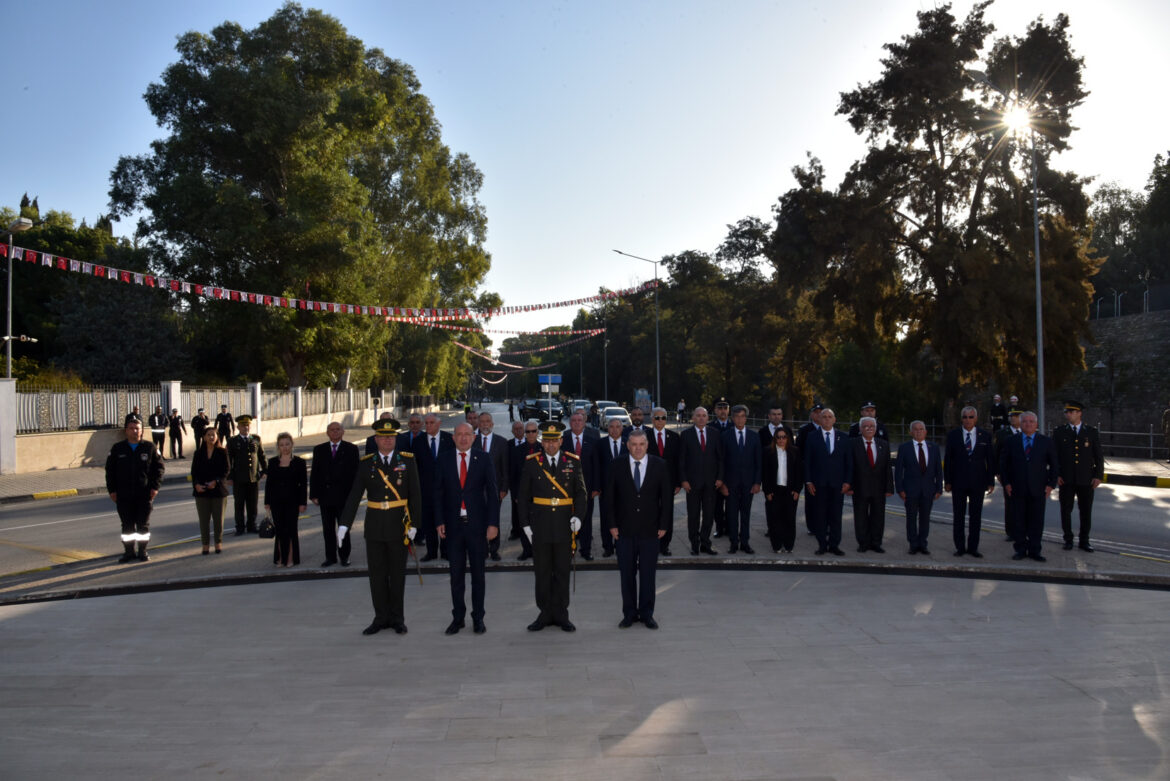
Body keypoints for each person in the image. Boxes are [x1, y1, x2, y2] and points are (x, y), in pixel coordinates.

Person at [341, 419, 421, 636]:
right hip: (375, 526)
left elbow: (415, 496)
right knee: (376, 575)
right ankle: (380, 617)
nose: (387, 440)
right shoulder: (367, 463)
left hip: (398, 526)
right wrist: (344, 524)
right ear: (376, 439)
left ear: (396, 439)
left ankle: (397, 618)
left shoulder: (407, 461)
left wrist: (414, 524)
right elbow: (355, 495)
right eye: (383, 437)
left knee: (397, 575)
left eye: (391, 436)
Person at [516, 420, 587, 632]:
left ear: (561, 441)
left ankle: (562, 614)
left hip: (565, 526)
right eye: (547, 441)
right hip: (541, 526)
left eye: (555, 440)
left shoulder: (573, 462)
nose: (551, 445)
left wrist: (579, 518)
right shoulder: (531, 463)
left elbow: (581, 494)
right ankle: (545, 613)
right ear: (542, 442)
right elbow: (523, 497)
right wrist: (526, 526)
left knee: (562, 571)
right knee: (543, 572)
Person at [436, 422, 500, 635]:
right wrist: (439, 521)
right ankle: (458, 617)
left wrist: (493, 524)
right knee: (456, 576)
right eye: (459, 434)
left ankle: (478, 618)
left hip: (477, 527)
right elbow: (437, 493)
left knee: (478, 576)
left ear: (474, 437)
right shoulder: (444, 459)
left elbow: (492, 493)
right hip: (453, 527)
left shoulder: (482, 458)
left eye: (467, 434)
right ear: (453, 438)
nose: (463, 438)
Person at [605, 429, 671, 629]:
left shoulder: (660, 465)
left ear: (647, 445)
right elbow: (609, 499)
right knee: (627, 574)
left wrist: (664, 524)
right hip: (624, 530)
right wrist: (612, 524)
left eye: (641, 444)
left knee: (648, 574)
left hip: (651, 530)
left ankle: (647, 613)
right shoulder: (616, 465)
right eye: (633, 444)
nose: (637, 448)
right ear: (627, 445)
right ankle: (629, 613)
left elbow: (666, 498)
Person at [999, 411, 1059, 562]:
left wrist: (1051, 485)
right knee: (1018, 521)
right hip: (1017, 488)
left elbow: (1055, 465)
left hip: (1038, 489)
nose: (1028, 424)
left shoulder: (1046, 441)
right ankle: (1020, 549)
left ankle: (1035, 550)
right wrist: (1006, 483)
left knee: (1036, 521)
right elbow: (1003, 465)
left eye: (1031, 421)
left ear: (1036, 424)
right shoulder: (1011, 441)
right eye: (1025, 421)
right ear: (1020, 423)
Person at [104, 418, 165, 563]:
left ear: (142, 430)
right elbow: (110, 472)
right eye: (131, 428)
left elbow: (159, 469)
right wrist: (112, 491)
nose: (135, 431)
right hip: (124, 495)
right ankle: (129, 552)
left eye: (137, 428)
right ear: (126, 430)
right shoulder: (117, 449)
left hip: (144, 494)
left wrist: (155, 487)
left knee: (143, 525)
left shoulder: (149, 448)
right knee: (127, 525)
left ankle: (142, 552)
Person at [943, 406, 995, 557]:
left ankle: (973, 547)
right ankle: (960, 547)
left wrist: (990, 481)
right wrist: (948, 481)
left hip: (978, 482)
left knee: (975, 516)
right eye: (965, 417)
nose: (968, 420)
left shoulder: (985, 435)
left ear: (976, 419)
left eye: (971, 417)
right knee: (958, 516)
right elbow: (948, 459)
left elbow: (990, 460)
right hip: (958, 482)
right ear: (961, 419)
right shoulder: (953, 435)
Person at [1055, 400, 1103, 552]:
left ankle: (1084, 540)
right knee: (1065, 510)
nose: (1068, 414)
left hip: (1086, 479)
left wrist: (1098, 476)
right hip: (1066, 479)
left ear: (1079, 413)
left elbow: (1098, 456)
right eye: (1067, 412)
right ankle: (1068, 539)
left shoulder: (1091, 432)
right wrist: (1056, 474)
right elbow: (1054, 456)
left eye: (1071, 412)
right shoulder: (1059, 432)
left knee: (1086, 511)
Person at [310, 421, 360, 567]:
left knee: (343, 528)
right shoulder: (319, 450)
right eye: (332, 430)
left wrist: (354, 495)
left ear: (343, 431)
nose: (335, 432)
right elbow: (315, 473)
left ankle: (344, 556)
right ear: (327, 432)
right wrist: (314, 494)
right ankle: (330, 557)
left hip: (344, 497)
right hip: (325, 497)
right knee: (328, 529)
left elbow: (356, 473)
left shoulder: (351, 449)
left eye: (338, 429)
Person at [803, 407, 850, 556]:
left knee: (836, 515)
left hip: (837, 484)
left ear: (834, 420)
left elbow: (848, 462)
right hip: (819, 484)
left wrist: (847, 481)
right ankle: (822, 545)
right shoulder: (812, 437)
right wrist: (808, 481)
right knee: (820, 515)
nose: (827, 419)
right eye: (824, 417)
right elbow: (807, 461)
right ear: (819, 419)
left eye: (830, 417)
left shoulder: (843, 437)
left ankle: (834, 545)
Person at [678, 406, 724, 556]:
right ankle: (694, 544)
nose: (701, 418)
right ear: (693, 418)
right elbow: (681, 460)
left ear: (708, 418)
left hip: (711, 483)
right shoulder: (685, 435)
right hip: (692, 484)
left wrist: (720, 478)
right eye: (698, 415)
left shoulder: (715, 434)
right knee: (693, 516)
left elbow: (720, 459)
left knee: (709, 515)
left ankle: (705, 543)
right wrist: (683, 480)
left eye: (704, 415)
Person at [843, 416, 893, 553]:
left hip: (879, 488)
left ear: (876, 428)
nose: (869, 429)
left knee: (878, 517)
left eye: (872, 426)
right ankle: (863, 543)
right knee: (861, 517)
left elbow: (887, 468)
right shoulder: (853, 444)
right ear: (860, 429)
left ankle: (876, 542)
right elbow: (849, 466)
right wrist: (849, 485)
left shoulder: (883, 444)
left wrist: (889, 488)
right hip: (859, 488)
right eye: (865, 426)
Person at [412, 412, 455, 561]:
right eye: (427, 423)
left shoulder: (449, 439)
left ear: (439, 423)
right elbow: (415, 467)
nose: (428, 425)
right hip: (426, 490)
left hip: (446, 490)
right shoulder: (418, 442)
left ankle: (445, 551)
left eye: (431, 423)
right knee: (429, 522)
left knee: (446, 520)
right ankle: (431, 552)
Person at [894, 420, 942, 555]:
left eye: (921, 429)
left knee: (925, 519)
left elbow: (938, 470)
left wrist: (939, 488)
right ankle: (913, 544)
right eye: (915, 429)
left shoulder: (934, 447)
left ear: (926, 432)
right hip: (910, 490)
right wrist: (900, 489)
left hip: (928, 490)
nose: (918, 431)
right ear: (910, 432)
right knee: (911, 518)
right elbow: (898, 471)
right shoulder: (904, 448)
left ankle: (923, 543)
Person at [721, 404, 762, 554]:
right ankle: (733, 542)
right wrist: (722, 483)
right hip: (730, 483)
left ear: (746, 418)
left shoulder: (754, 436)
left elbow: (758, 462)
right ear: (732, 418)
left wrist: (757, 482)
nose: (740, 419)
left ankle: (745, 542)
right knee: (731, 514)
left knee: (745, 514)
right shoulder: (725, 436)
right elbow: (721, 461)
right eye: (737, 416)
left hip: (748, 483)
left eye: (742, 416)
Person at [265, 433, 307, 567]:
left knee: (291, 530)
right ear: (278, 446)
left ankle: (290, 558)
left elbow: (303, 485)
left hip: (293, 502)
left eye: (287, 444)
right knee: (279, 530)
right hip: (276, 502)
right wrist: (267, 502)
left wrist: (302, 503)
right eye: (282, 445)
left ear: (292, 444)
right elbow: (269, 484)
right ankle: (280, 558)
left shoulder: (299, 462)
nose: (285, 447)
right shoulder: (272, 462)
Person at [562, 411, 600, 560]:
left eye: (579, 420)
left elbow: (596, 466)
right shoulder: (563, 440)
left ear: (584, 422)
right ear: (570, 423)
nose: (577, 423)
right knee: (567, 520)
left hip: (587, 489)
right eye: (574, 421)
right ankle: (568, 550)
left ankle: (586, 550)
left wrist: (596, 487)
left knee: (586, 519)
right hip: (566, 489)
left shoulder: (592, 440)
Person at [473, 411, 510, 562]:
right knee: (478, 520)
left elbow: (505, 468)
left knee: (494, 519)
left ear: (492, 424)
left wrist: (504, 489)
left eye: (487, 421)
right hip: (475, 491)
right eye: (482, 422)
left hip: (495, 490)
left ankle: (494, 550)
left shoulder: (501, 442)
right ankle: (481, 549)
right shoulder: (472, 441)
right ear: (478, 424)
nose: (485, 424)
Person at [762, 427, 802, 553]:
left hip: (790, 491)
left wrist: (797, 490)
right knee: (774, 519)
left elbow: (799, 473)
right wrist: (767, 491)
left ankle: (788, 545)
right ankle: (777, 545)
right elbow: (765, 474)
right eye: (778, 437)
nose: (781, 439)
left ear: (788, 438)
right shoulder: (768, 452)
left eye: (783, 437)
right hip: (774, 491)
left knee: (789, 519)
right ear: (775, 438)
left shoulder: (795, 451)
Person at [648, 406, 681, 556]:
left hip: (669, 484)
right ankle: (652, 543)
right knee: (651, 514)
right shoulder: (644, 436)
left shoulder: (674, 437)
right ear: (652, 419)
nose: (660, 421)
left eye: (663, 418)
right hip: (650, 484)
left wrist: (679, 482)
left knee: (667, 513)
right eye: (657, 417)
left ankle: (665, 545)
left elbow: (678, 462)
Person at [226, 414, 267, 535]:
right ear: (238, 427)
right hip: (239, 478)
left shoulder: (256, 439)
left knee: (252, 504)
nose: (246, 428)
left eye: (248, 425)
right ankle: (240, 527)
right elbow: (229, 460)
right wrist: (229, 476)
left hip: (253, 478)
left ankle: (252, 525)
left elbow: (261, 456)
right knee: (239, 504)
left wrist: (265, 470)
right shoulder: (233, 441)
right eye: (243, 426)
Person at [191, 427, 229, 555]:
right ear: (204, 437)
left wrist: (216, 481)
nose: (211, 437)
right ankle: (205, 545)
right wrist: (196, 484)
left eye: (214, 435)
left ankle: (218, 544)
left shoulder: (222, 452)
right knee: (204, 520)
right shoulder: (198, 453)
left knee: (218, 520)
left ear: (217, 437)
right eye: (209, 435)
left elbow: (226, 470)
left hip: (218, 491)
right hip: (202, 491)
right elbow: (194, 472)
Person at [509, 421, 542, 558]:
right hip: (523, 495)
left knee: (539, 525)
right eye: (528, 432)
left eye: (533, 431)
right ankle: (526, 550)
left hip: (540, 495)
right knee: (524, 523)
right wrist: (516, 494)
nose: (530, 434)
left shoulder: (544, 448)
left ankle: (538, 550)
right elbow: (513, 475)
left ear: (537, 432)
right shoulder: (517, 451)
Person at [596, 417, 628, 558]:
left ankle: (620, 545)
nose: (614, 429)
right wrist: (597, 487)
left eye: (617, 426)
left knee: (622, 518)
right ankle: (607, 547)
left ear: (622, 428)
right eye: (611, 426)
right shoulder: (600, 444)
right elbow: (596, 466)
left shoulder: (629, 442)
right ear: (607, 428)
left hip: (624, 490)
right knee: (606, 519)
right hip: (606, 489)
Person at [994, 408, 1024, 542]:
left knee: (1024, 504)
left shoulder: (1028, 431)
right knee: (1010, 504)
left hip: (1024, 474)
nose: (1013, 418)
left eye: (1016, 416)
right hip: (1009, 474)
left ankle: (1023, 530)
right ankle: (1010, 531)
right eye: (1011, 416)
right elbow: (996, 454)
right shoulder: (1002, 434)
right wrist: (998, 472)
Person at [795, 404, 824, 536]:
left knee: (825, 500)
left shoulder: (829, 429)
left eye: (821, 412)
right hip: (810, 471)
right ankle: (812, 526)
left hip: (825, 471)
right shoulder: (805, 430)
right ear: (811, 414)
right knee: (811, 501)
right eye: (816, 412)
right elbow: (798, 451)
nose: (818, 415)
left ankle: (825, 525)